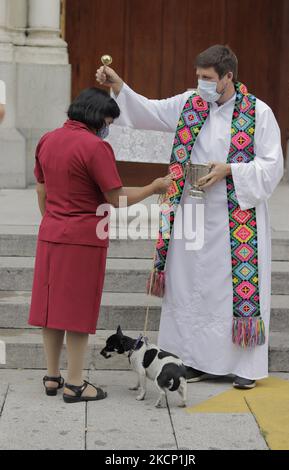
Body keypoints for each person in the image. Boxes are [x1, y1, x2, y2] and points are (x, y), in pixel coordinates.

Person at [96, 44, 284, 390]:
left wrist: (230, 169)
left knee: (228, 292)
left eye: (209, 78)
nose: (202, 84)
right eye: (199, 77)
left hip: (236, 219)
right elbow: (147, 112)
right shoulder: (190, 103)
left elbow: (273, 166)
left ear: (229, 77)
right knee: (189, 288)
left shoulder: (258, 113)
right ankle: (193, 360)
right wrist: (119, 84)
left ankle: (243, 366)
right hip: (192, 213)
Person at [28, 87, 172, 403]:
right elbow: (115, 197)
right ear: (97, 116)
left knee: (49, 310)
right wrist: (154, 186)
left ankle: (52, 377)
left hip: (51, 233)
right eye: (108, 120)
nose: (108, 126)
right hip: (82, 239)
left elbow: (42, 190)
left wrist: (53, 222)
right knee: (77, 313)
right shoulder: (95, 147)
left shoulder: (47, 139)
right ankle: (76, 384)